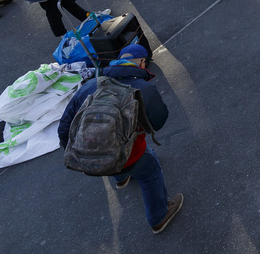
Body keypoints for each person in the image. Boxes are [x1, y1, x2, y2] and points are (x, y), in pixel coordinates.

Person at [57, 44, 183, 235]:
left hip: (90, 155)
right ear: (141, 63)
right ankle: (159, 217)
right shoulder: (145, 89)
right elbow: (159, 121)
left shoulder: (90, 86)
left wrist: (74, 151)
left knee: (105, 143)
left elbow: (64, 126)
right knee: (150, 173)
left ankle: (121, 178)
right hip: (131, 154)